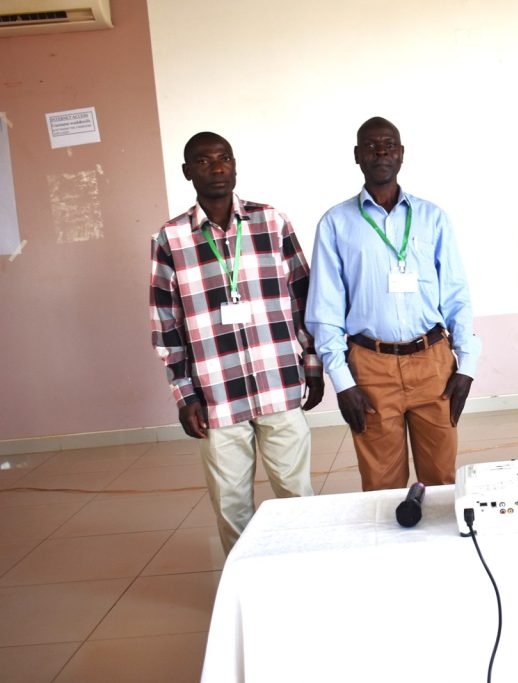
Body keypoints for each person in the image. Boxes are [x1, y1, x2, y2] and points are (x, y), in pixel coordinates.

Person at [150, 132, 324, 554]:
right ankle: (244, 590)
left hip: (278, 381)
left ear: (234, 164)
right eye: (204, 161)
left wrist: (313, 364)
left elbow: (305, 296)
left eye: (224, 158)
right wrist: (183, 394)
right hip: (216, 395)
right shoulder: (170, 239)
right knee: (231, 506)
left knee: (297, 493)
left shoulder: (271, 221)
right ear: (188, 172)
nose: (217, 167)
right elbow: (165, 324)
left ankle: (307, 574)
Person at [305, 117, 480, 491]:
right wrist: (342, 381)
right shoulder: (335, 224)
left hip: (432, 363)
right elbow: (325, 310)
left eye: (388, 145)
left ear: (401, 155)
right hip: (370, 368)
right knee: (381, 489)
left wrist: (467, 366)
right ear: (357, 156)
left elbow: (456, 296)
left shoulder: (433, 218)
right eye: (371, 146)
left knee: (442, 483)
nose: (380, 152)